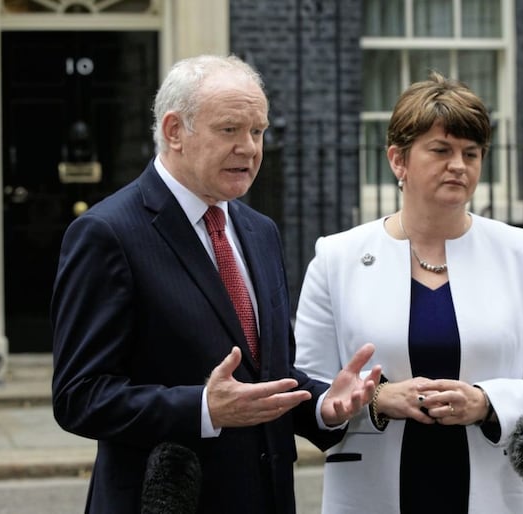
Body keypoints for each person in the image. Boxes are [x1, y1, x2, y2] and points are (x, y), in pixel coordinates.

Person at [50, 55, 382, 514]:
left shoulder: (260, 230)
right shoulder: (108, 233)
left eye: (257, 131)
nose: (248, 147)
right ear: (173, 131)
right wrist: (203, 409)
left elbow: (265, 375)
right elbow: (79, 397)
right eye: (229, 130)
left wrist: (325, 404)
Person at [294, 72, 523, 513]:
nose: (459, 165)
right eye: (441, 150)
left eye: (472, 153)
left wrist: (487, 402)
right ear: (398, 160)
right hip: (374, 494)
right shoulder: (337, 257)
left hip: (497, 495)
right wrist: (375, 399)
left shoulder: (521, 252)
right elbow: (307, 389)